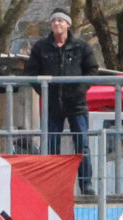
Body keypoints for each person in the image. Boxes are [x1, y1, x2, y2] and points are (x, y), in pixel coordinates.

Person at [24, 7, 98, 194]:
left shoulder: (81, 46)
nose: (56, 24)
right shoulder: (41, 47)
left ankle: (86, 185)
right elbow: (31, 72)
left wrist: (79, 89)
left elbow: (92, 70)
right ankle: (54, 186)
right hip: (52, 105)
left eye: (60, 20)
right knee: (51, 145)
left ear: (68, 24)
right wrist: (44, 91)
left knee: (82, 143)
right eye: (53, 21)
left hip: (76, 104)